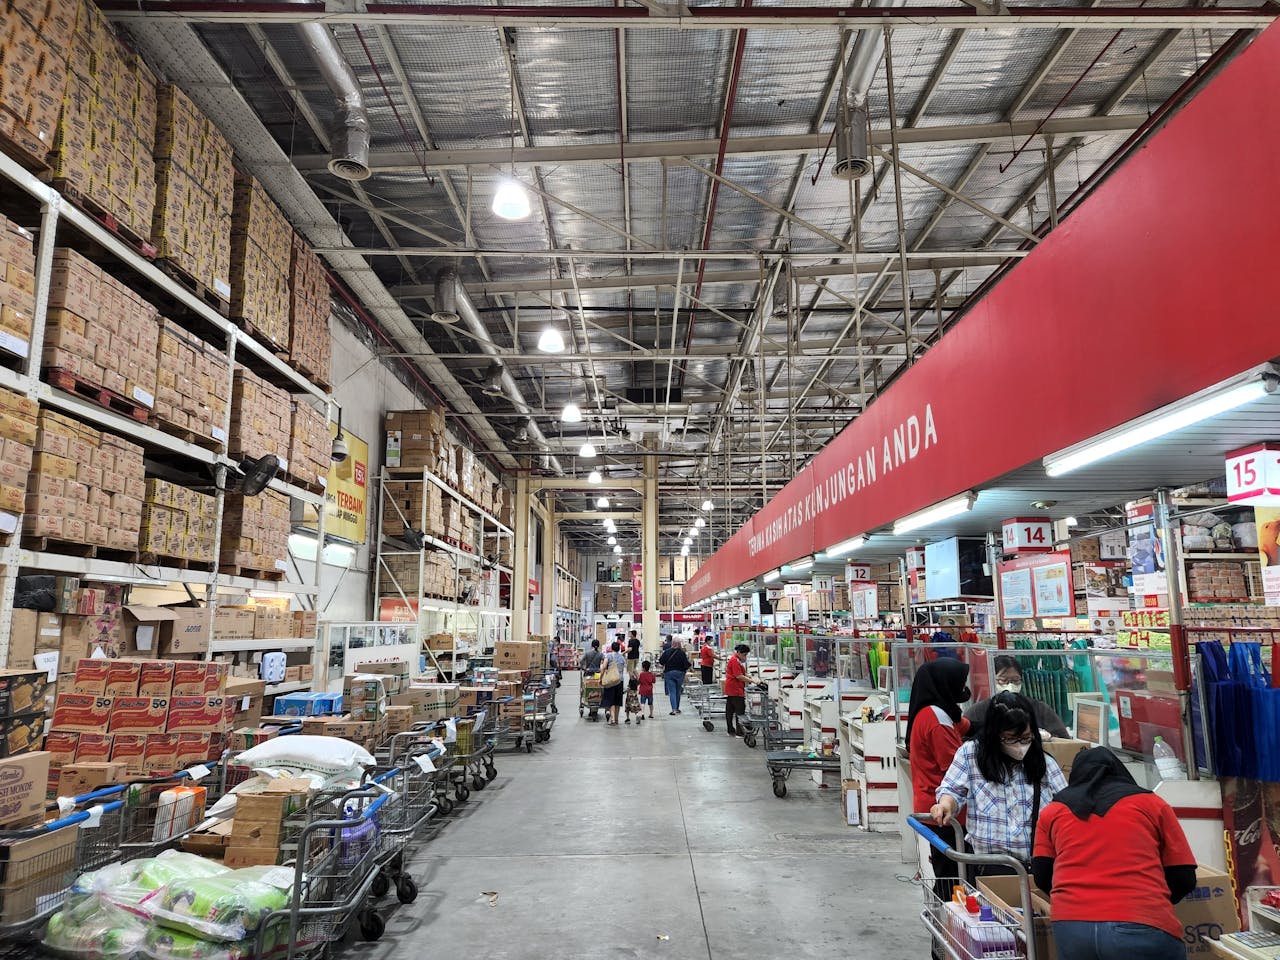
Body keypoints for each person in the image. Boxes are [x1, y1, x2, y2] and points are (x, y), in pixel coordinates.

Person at [1032, 747, 1196, 960]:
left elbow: (1042, 875)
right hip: (1141, 922)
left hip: (1072, 928)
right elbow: (1184, 876)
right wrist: (1153, 900)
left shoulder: (1052, 812)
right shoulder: (1152, 804)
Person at [931, 691, 1068, 873]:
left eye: (1026, 738)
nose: (1020, 746)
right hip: (987, 866)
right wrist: (945, 805)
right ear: (994, 734)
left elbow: (1066, 804)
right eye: (1010, 739)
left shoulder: (1043, 762)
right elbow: (953, 789)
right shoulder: (971, 754)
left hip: (1032, 868)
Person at [906, 658, 972, 915]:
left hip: (931, 805)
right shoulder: (937, 721)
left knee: (948, 874)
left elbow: (967, 726)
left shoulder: (936, 710)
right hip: (944, 812)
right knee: (954, 879)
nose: (963, 687)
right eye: (960, 682)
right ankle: (947, 934)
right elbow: (955, 769)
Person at [966, 655, 1069, 738]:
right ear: (992, 680)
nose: (1010, 685)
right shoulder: (978, 711)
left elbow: (1063, 738)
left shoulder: (1039, 708)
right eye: (1003, 680)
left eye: (1016, 680)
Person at [723, 643, 752, 737]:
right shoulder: (735, 660)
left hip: (731, 688)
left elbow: (741, 673)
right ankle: (739, 732)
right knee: (740, 710)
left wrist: (747, 676)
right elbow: (739, 676)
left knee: (730, 709)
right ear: (739, 652)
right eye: (744, 655)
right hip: (735, 688)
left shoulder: (735, 659)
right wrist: (752, 681)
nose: (745, 657)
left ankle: (730, 730)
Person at [658, 638, 691, 715]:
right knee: (678, 691)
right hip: (680, 673)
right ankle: (677, 708)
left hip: (669, 673)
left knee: (672, 691)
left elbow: (661, 662)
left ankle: (674, 709)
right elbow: (686, 664)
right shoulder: (682, 653)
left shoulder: (667, 652)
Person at [599, 641, 628, 725]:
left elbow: (604, 667)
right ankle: (616, 719)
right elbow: (623, 668)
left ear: (611, 648)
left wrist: (601, 678)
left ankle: (612, 719)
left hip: (611, 681)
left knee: (611, 700)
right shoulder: (622, 657)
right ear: (619, 649)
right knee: (618, 701)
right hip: (619, 680)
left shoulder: (608, 656)